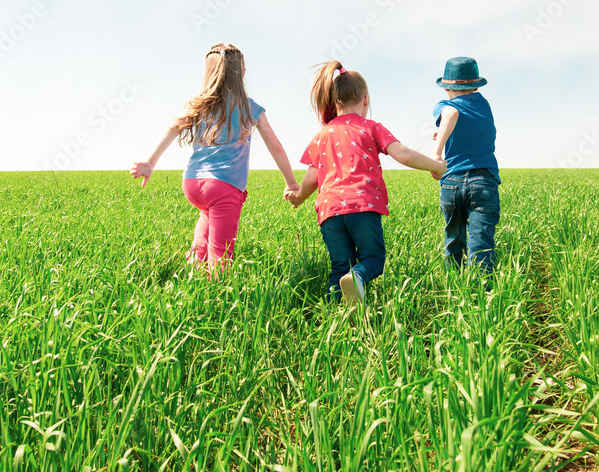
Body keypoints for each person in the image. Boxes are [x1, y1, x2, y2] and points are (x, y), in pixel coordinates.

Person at [286, 61, 446, 309]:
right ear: (365, 99)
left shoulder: (322, 135)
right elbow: (403, 154)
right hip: (363, 206)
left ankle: (337, 320)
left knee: (339, 266)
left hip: (330, 211)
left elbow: (310, 178)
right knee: (372, 259)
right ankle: (358, 277)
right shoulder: (371, 127)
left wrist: (297, 197)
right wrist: (437, 166)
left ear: (333, 100)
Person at [131, 43, 298, 270]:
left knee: (206, 218)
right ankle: (216, 291)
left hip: (192, 183)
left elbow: (173, 127)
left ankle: (194, 270)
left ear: (209, 74)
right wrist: (291, 182)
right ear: (242, 75)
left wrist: (150, 162)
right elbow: (275, 146)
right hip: (223, 186)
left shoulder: (199, 104)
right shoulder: (249, 107)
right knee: (221, 251)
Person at [432, 56, 500, 274]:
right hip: (483, 181)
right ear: (476, 85)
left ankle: (454, 290)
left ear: (446, 88)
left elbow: (451, 114)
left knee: (454, 240)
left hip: (452, 181)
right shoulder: (484, 105)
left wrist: (436, 153)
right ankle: (482, 297)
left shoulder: (445, 105)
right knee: (481, 245)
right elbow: (472, 128)